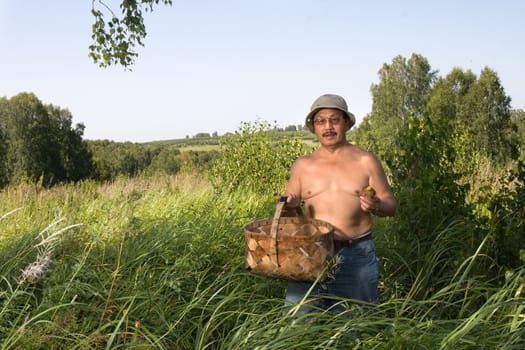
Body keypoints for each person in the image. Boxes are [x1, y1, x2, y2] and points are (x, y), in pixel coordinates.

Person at [281, 93, 397, 315]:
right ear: (313, 127)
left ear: (346, 123)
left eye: (334, 120)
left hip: (356, 255)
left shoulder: (366, 161)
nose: (328, 127)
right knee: (297, 325)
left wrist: (376, 205)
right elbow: (291, 214)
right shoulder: (302, 166)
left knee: (356, 328)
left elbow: (391, 205)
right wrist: (291, 206)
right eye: (321, 121)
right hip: (310, 253)